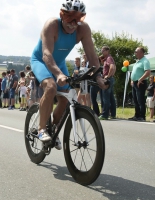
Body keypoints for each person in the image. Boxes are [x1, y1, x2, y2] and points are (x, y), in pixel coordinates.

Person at [30, 0, 107, 149]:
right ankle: (41, 129)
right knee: (51, 87)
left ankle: (53, 129)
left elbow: (92, 57)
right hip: (41, 60)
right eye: (70, 17)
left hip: (59, 63)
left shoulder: (82, 29)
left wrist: (98, 77)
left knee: (66, 97)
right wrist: (58, 75)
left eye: (78, 19)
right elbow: (46, 54)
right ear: (62, 15)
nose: (73, 23)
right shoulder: (52, 25)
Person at [128, 47, 151, 121]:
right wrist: (132, 80)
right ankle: (137, 115)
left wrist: (140, 79)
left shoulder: (145, 61)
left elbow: (148, 72)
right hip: (135, 82)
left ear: (141, 52)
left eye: (136, 52)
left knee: (140, 100)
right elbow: (134, 72)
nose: (135, 53)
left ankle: (142, 116)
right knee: (135, 100)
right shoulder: (138, 61)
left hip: (141, 82)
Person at [98, 46, 116, 120]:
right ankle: (113, 114)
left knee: (106, 97)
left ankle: (105, 114)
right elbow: (114, 67)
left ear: (107, 51)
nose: (101, 52)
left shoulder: (109, 58)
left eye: (103, 50)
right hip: (110, 79)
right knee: (111, 97)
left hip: (107, 79)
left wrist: (108, 76)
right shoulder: (107, 59)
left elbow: (112, 67)